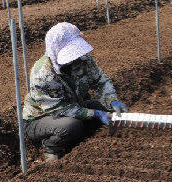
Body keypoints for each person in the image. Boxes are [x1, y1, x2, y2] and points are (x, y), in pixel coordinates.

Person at [22, 22, 129, 161]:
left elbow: (100, 81)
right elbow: (59, 110)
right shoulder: (43, 73)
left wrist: (112, 100)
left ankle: (79, 139)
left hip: (74, 107)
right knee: (72, 125)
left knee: (102, 108)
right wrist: (94, 114)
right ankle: (51, 147)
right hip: (41, 118)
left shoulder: (83, 60)